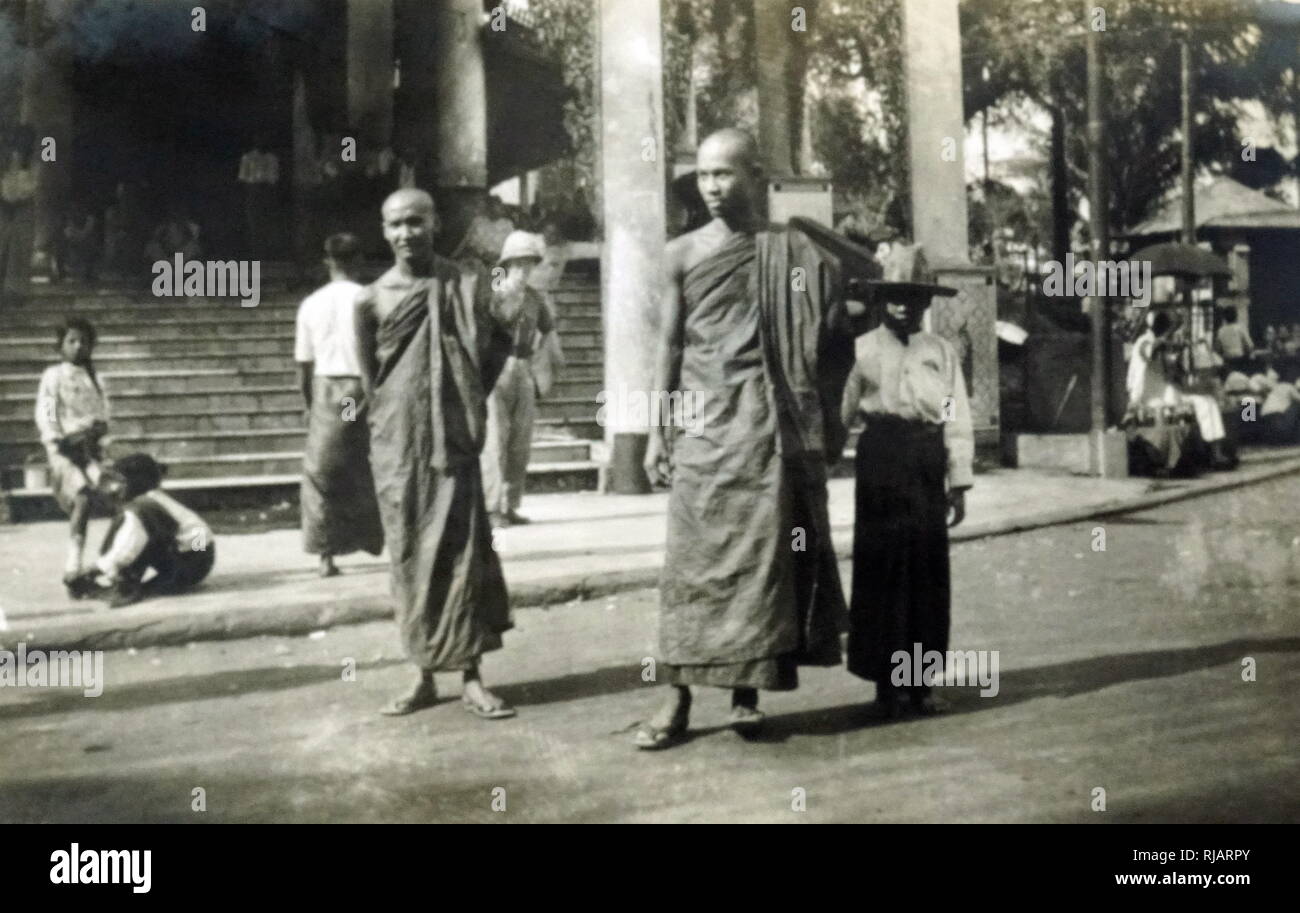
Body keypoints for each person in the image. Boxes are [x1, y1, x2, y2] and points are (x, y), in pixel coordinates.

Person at [637, 128, 866, 749]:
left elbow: (826, 337)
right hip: (706, 428)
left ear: (755, 177)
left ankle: (746, 691)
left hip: (768, 429)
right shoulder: (681, 253)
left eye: (725, 174)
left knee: (763, 562)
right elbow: (669, 345)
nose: (712, 187)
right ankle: (675, 695)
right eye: (704, 176)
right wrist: (659, 429)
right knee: (693, 562)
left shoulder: (791, 251)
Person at [354, 188, 518, 720]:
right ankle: (421, 672)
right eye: (396, 224)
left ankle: (472, 676)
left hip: (454, 439)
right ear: (384, 230)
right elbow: (371, 381)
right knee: (409, 555)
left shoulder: (467, 284)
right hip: (399, 447)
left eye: (416, 222)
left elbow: (497, 347)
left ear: (435, 223)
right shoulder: (371, 299)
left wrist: (465, 396)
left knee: (463, 550)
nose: (407, 233)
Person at [840, 245, 972, 717]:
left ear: (927, 303)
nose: (902, 306)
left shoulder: (941, 352)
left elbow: (956, 416)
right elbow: (842, 411)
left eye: (913, 298)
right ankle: (883, 681)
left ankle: (920, 682)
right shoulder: (860, 350)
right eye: (894, 296)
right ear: (881, 299)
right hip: (879, 460)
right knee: (881, 570)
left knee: (925, 571)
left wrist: (958, 479)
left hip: (924, 461)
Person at [294, 232, 384, 577]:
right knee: (360, 463)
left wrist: (308, 403)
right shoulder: (370, 298)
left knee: (322, 471)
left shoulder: (311, 303)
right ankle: (369, 539)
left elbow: (303, 364)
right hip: (358, 388)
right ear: (358, 261)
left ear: (327, 262)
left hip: (332, 391)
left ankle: (326, 554)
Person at [65, 453, 214, 609]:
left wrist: (91, 571)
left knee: (131, 541)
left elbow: (126, 550)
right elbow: (199, 532)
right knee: (140, 533)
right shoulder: (154, 497)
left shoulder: (140, 507)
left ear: (137, 482)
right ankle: (143, 585)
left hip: (191, 562)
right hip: (202, 555)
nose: (114, 487)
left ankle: (126, 589)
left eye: (120, 481)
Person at [481, 230, 555, 528]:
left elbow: (548, 332)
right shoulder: (495, 294)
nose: (524, 268)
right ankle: (492, 506)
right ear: (508, 263)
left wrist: (545, 370)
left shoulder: (536, 299)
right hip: (497, 366)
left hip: (523, 366)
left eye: (529, 263)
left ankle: (511, 504)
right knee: (495, 439)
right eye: (519, 262)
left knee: (520, 442)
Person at [35, 317, 110, 589]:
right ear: (61, 345)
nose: (78, 346)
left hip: (91, 449)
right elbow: (47, 415)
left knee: (118, 490)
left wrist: (97, 434)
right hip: (64, 449)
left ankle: (117, 562)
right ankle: (73, 565)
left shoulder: (97, 379)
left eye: (84, 341)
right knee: (82, 499)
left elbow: (104, 418)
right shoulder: (53, 376)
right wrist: (58, 442)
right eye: (72, 341)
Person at [1127, 311, 1234, 470]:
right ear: (1161, 328)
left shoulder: (1161, 343)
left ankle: (1216, 453)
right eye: (1169, 328)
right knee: (1191, 404)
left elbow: (1174, 372)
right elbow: (1148, 353)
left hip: (1167, 391)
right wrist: (1166, 339)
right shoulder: (1143, 342)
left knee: (1207, 401)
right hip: (1149, 397)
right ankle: (1212, 454)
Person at [0, 143, 38, 297]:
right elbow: (6, 196)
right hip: (6, 218)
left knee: (19, 256)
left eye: (17, 158)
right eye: (12, 159)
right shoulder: (4, 176)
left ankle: (16, 292)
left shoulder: (27, 176)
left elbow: (24, 194)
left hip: (21, 220)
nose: (14, 161)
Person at [238, 136, 280, 258]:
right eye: (259, 141)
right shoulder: (248, 158)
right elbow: (243, 178)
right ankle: (254, 251)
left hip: (267, 191)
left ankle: (266, 251)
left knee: (267, 222)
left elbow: (274, 177)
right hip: (253, 191)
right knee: (253, 221)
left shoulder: (272, 158)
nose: (262, 143)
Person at [1214, 308, 1254, 375]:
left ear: (1224, 318)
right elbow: (1250, 346)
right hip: (1240, 361)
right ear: (1236, 316)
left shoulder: (1221, 331)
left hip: (1227, 362)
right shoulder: (1240, 328)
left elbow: (1217, 349)